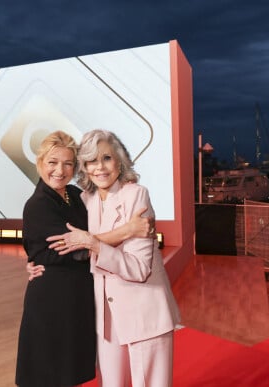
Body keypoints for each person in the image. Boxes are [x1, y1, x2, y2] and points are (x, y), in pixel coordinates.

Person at [15, 131, 153, 387]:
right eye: (53, 162)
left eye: (68, 163)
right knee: (50, 372)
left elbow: (89, 238)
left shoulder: (75, 196)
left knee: (68, 372)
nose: (60, 170)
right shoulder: (38, 205)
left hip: (77, 297)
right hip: (52, 300)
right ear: (40, 163)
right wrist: (128, 230)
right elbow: (79, 247)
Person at [46, 129, 180, 387]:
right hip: (105, 316)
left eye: (106, 158)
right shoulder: (85, 200)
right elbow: (71, 246)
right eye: (91, 161)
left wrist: (94, 243)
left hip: (144, 307)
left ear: (120, 160)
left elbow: (140, 269)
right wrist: (38, 264)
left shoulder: (136, 195)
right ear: (84, 167)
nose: (100, 168)